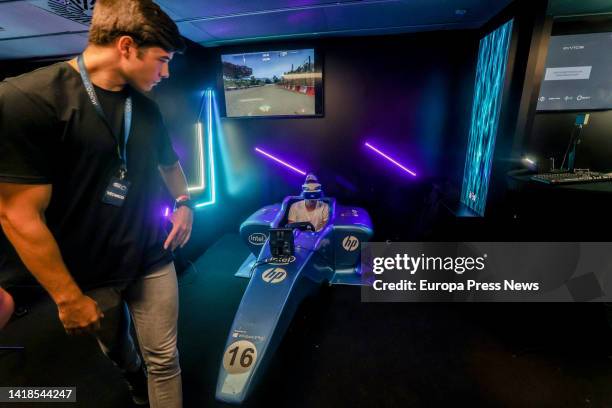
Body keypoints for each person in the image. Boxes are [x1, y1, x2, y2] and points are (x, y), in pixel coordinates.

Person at [0, 1, 191, 407]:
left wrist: (184, 202)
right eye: (162, 60)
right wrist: (68, 298)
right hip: (91, 272)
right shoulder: (25, 100)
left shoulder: (146, 107)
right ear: (126, 46)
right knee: (122, 354)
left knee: (165, 358)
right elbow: (17, 214)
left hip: (151, 256)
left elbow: (169, 163)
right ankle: (134, 381)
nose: (166, 73)